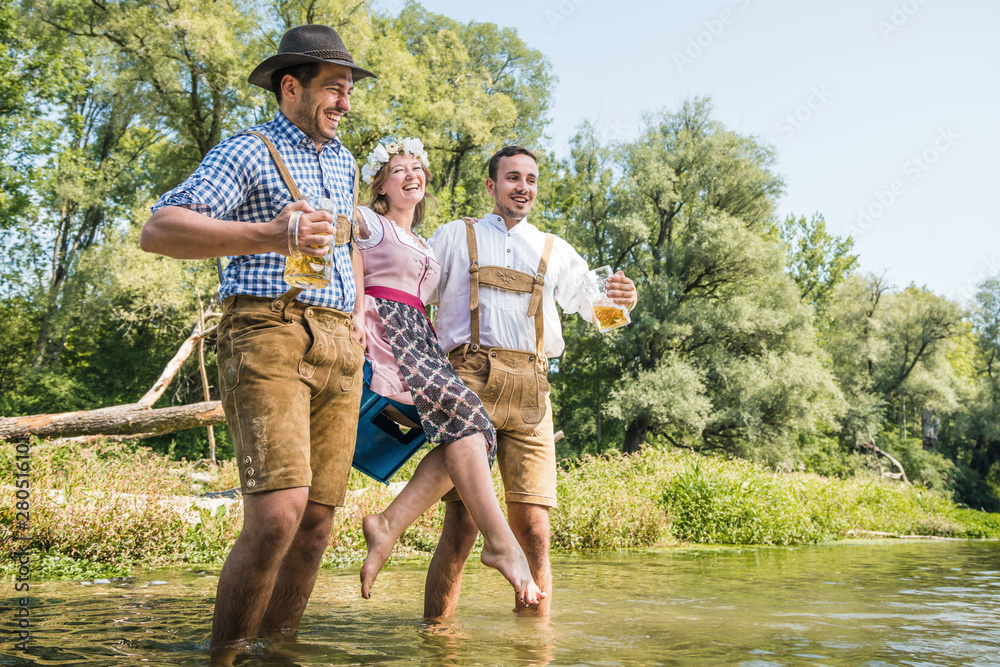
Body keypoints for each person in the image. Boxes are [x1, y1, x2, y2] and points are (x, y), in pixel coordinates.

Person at [139, 24, 374, 655]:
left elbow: (343, 248)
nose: (344, 103)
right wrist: (270, 235)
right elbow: (160, 229)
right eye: (333, 89)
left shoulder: (344, 162)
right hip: (266, 330)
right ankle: (226, 656)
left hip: (338, 347)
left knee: (318, 523)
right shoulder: (247, 151)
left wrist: (356, 312)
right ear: (291, 87)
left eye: (348, 90)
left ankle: (277, 652)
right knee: (277, 515)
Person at [424, 146, 638, 618]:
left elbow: (601, 315)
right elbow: (411, 293)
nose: (523, 187)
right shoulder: (454, 236)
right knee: (460, 527)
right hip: (467, 385)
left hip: (531, 390)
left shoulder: (554, 249)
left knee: (536, 531)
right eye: (513, 178)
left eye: (531, 179)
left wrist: (626, 301)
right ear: (491, 186)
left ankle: (534, 649)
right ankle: (437, 643)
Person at [351, 137, 543, 607]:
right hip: (387, 326)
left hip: (422, 336)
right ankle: (499, 543)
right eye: (399, 169)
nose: (411, 175)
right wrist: (355, 306)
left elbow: (450, 294)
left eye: (417, 168)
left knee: (475, 434)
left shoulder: (425, 242)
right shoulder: (366, 220)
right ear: (380, 183)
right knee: (469, 415)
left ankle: (389, 524)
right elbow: (347, 246)